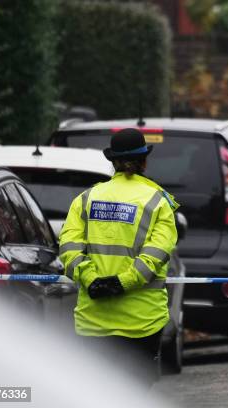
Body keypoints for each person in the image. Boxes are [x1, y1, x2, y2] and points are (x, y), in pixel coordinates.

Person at [59, 128, 178, 385]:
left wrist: (91, 280)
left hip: (93, 321)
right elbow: (155, 255)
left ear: (112, 162)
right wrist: (121, 283)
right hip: (142, 322)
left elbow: (69, 248)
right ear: (145, 161)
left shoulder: (86, 198)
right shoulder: (158, 202)